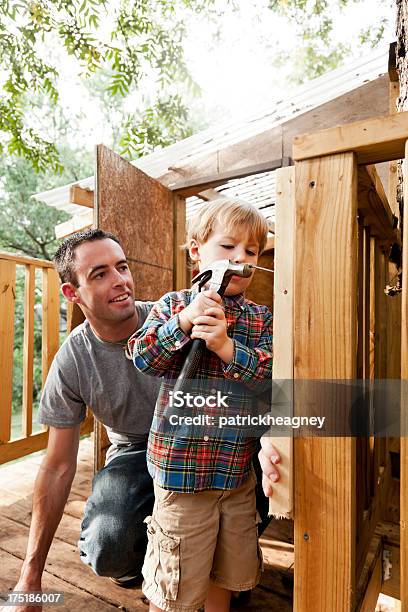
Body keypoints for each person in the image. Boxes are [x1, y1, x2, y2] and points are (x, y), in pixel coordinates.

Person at [4, 228, 281, 612]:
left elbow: (260, 385)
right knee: (108, 544)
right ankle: (158, 566)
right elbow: (57, 465)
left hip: (218, 444)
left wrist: (269, 437)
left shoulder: (177, 313)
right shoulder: (74, 360)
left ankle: (220, 568)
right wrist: (30, 577)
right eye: (99, 274)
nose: (119, 281)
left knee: (259, 487)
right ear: (72, 293)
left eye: (122, 266)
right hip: (137, 450)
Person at [130, 199, 275, 612]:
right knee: (174, 585)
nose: (240, 259)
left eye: (250, 252)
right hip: (182, 474)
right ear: (196, 250)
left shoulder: (259, 319)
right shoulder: (173, 305)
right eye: (228, 247)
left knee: (226, 572)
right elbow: (143, 357)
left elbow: (268, 379)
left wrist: (229, 349)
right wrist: (183, 324)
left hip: (234, 473)